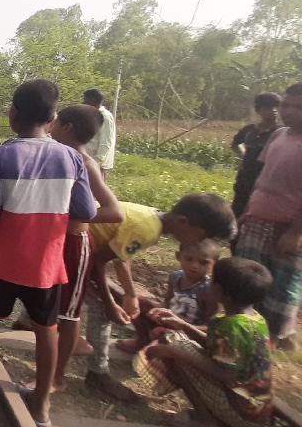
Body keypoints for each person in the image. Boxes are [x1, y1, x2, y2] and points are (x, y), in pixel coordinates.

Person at [0, 80, 96, 427]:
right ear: (52, 117)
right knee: (47, 330)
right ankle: (41, 408)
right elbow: (85, 210)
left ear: (12, 114)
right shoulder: (72, 157)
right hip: (46, 264)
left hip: (3, 260)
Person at [81, 193, 236, 402]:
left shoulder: (149, 216)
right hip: (75, 247)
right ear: (183, 223)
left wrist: (130, 294)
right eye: (199, 237)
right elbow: (98, 261)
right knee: (100, 309)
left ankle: (30, 320)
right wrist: (109, 302)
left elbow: (120, 255)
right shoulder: (148, 230)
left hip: (76, 243)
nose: (197, 244)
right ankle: (97, 373)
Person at [15, 105, 125, 393]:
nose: (51, 125)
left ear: (68, 128)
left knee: (67, 314)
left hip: (75, 247)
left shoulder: (86, 163)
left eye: (57, 121)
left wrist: (68, 217)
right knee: (50, 310)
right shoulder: (57, 155)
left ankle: (56, 379)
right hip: (53, 243)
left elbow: (114, 211)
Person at [136, 257, 273, 427]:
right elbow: (217, 349)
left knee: (175, 349)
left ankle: (206, 422)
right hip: (254, 409)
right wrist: (183, 325)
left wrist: (175, 352)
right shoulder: (253, 318)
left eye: (212, 281)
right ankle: (212, 416)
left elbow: (226, 374)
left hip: (241, 411)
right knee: (175, 343)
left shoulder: (233, 326)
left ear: (220, 292)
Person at [235, 82, 302, 349]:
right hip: (257, 219)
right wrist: (248, 212)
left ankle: (277, 337)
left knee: (282, 286)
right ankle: (252, 332)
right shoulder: (279, 136)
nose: (289, 111)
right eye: (286, 105)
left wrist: (296, 232)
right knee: (251, 278)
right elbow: (264, 177)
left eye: (298, 107)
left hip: (287, 227)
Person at [115, 239, 221, 355]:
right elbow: (167, 302)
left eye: (203, 262)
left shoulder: (210, 290)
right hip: (169, 321)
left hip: (189, 332)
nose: (194, 266)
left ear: (215, 264)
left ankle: (156, 347)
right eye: (189, 259)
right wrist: (158, 311)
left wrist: (183, 325)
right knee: (138, 303)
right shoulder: (175, 277)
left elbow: (211, 328)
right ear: (178, 256)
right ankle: (142, 340)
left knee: (160, 336)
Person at [230, 92, 282, 218]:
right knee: (238, 208)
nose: (273, 110)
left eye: (276, 107)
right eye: (268, 107)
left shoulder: (281, 132)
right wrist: (244, 156)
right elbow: (236, 143)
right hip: (245, 177)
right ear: (259, 110)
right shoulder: (249, 130)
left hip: (267, 180)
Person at [83, 89, 116, 178]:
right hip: (89, 161)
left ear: (93, 100)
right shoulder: (93, 114)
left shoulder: (105, 117)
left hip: (97, 163)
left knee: (95, 190)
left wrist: (97, 162)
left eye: (85, 100)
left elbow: (106, 142)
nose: (83, 102)